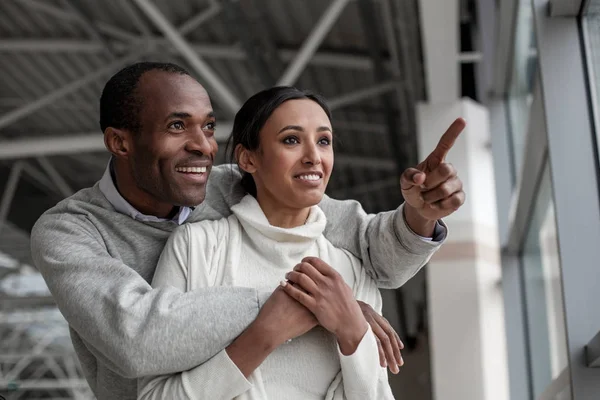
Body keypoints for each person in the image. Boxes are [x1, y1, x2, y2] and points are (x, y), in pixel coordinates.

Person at [30, 62, 463, 400]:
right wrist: (305, 303)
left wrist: (419, 214)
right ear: (120, 142)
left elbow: (371, 251)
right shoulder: (70, 231)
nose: (202, 144)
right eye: (177, 126)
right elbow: (134, 338)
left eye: (207, 126)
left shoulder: (229, 183)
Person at [138, 86, 398, 399]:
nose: (313, 157)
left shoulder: (351, 272)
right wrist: (263, 336)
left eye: (324, 141)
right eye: (291, 139)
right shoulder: (196, 248)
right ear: (247, 158)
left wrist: (353, 332)